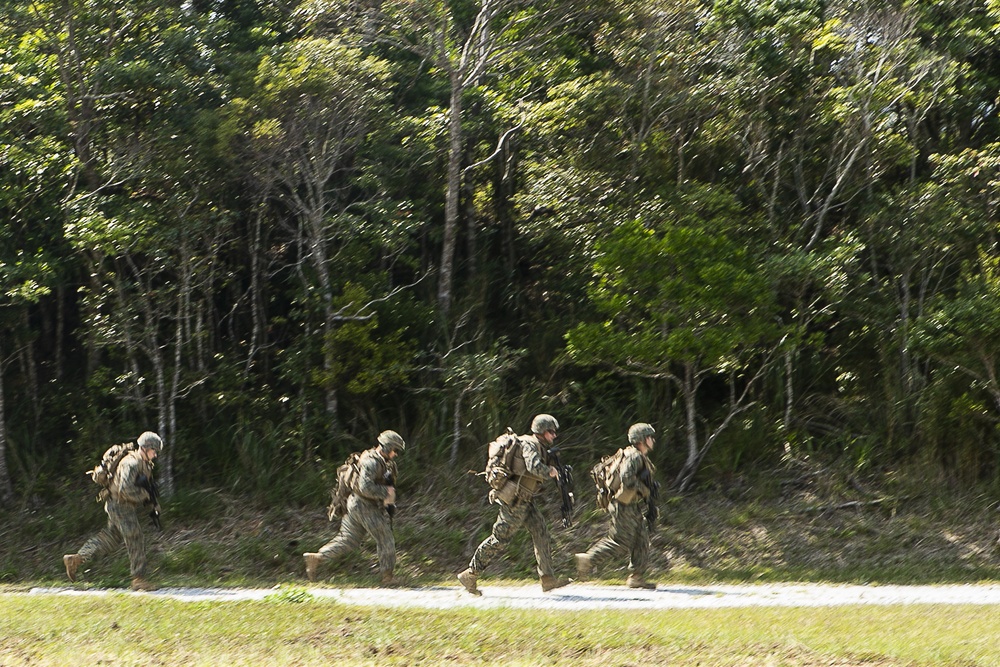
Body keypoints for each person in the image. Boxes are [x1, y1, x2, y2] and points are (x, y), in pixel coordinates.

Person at [457, 414, 570, 595]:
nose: (554, 436)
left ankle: (547, 579)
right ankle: (470, 574)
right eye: (551, 432)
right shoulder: (529, 445)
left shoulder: (539, 446)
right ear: (541, 431)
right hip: (515, 501)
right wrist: (550, 471)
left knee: (541, 532)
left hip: (526, 500)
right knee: (500, 538)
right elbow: (533, 467)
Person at [63, 431, 163, 591]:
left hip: (120, 505)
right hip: (120, 505)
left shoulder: (143, 464)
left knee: (110, 538)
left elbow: (143, 488)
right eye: (154, 450)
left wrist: (152, 504)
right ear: (145, 448)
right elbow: (125, 488)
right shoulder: (131, 463)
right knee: (135, 536)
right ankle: (138, 579)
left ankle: (76, 559)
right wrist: (144, 495)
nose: (155, 454)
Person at [303, 430, 405, 587]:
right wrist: (387, 493)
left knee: (348, 540)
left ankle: (317, 558)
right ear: (387, 447)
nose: (396, 454)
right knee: (386, 538)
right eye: (395, 450)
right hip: (363, 505)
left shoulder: (381, 461)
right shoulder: (372, 462)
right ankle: (387, 577)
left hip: (358, 504)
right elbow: (365, 487)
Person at [575, 422, 658, 589]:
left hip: (630, 504)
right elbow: (627, 477)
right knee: (620, 541)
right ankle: (588, 559)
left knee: (641, 538)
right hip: (623, 504)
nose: (653, 440)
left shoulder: (633, 454)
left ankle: (636, 576)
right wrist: (645, 490)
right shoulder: (634, 456)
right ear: (642, 440)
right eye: (650, 437)